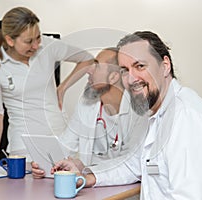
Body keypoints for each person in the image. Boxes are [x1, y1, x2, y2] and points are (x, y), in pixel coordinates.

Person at [51, 31, 202, 199]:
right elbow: (133, 165)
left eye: (140, 66)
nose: (131, 79)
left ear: (165, 66)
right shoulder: (157, 113)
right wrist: (88, 177)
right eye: (125, 70)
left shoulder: (187, 118)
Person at [0, 7, 93, 170]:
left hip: (60, 139)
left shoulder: (48, 46)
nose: (36, 45)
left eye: (38, 37)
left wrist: (62, 88)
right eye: (29, 41)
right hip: (24, 147)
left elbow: (87, 59)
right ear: (10, 40)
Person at [31, 47, 148, 178]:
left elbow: (131, 164)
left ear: (113, 77)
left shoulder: (139, 112)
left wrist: (86, 170)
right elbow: (66, 144)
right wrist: (45, 164)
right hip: (90, 184)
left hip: (123, 189)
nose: (88, 70)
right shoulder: (86, 103)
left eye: (96, 65)